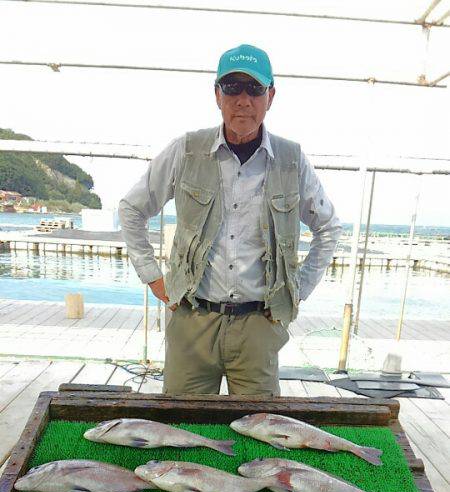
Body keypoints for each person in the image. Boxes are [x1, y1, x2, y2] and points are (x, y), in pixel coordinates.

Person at [119, 43, 342, 396]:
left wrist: (295, 291)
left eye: (254, 88)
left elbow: (328, 228)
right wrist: (153, 278)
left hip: (259, 326)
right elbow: (132, 209)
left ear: (271, 96)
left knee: (262, 431)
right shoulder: (186, 150)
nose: (243, 99)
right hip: (192, 320)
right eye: (232, 87)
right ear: (217, 95)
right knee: (182, 426)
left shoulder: (291, 160)